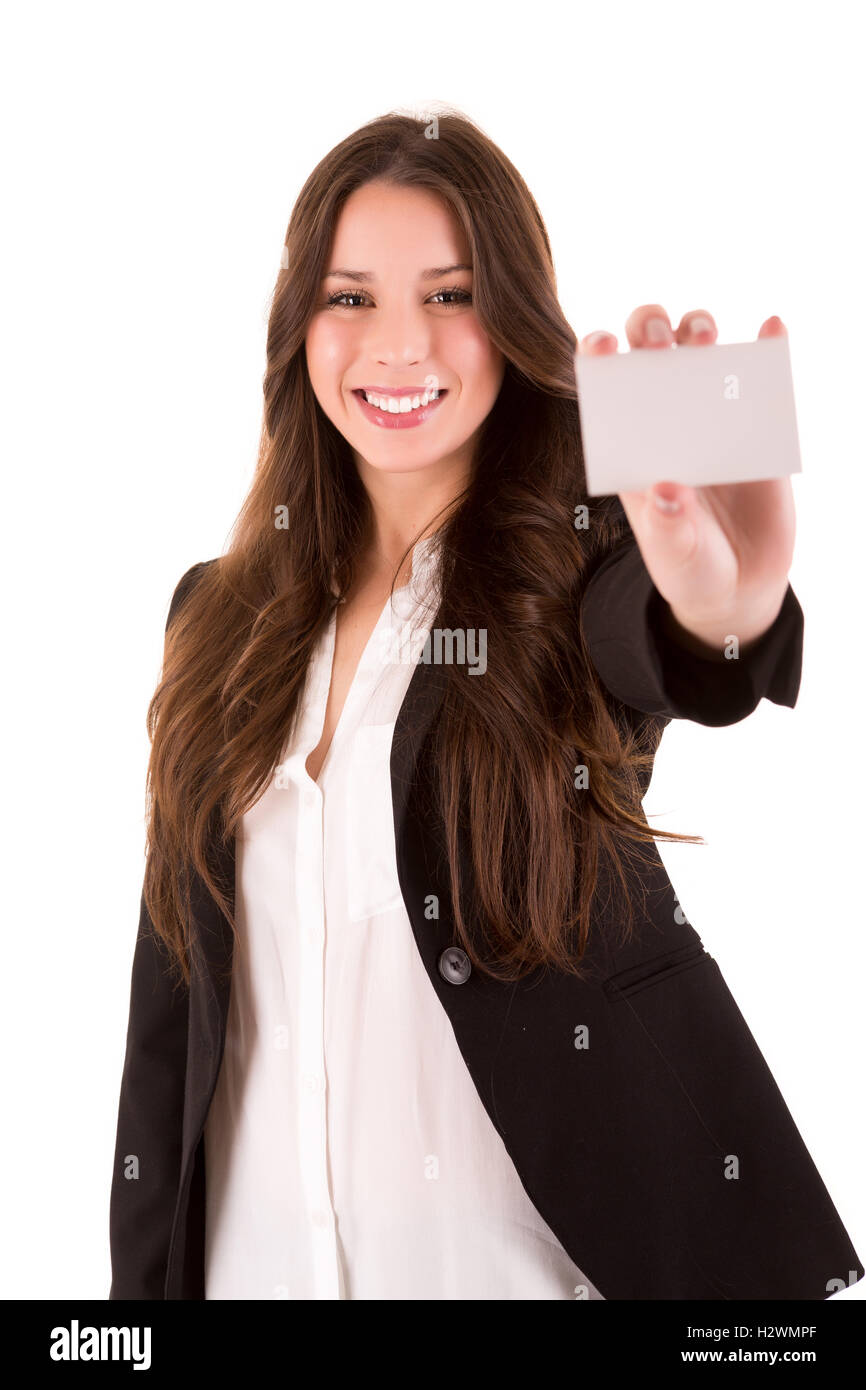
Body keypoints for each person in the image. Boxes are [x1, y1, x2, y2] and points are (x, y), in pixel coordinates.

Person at [108, 108, 862, 1301]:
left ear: (510, 319)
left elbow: (662, 642)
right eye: (349, 298)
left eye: (450, 294)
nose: (397, 345)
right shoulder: (215, 619)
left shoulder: (571, 570)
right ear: (297, 323)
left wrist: (727, 608)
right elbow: (173, 1023)